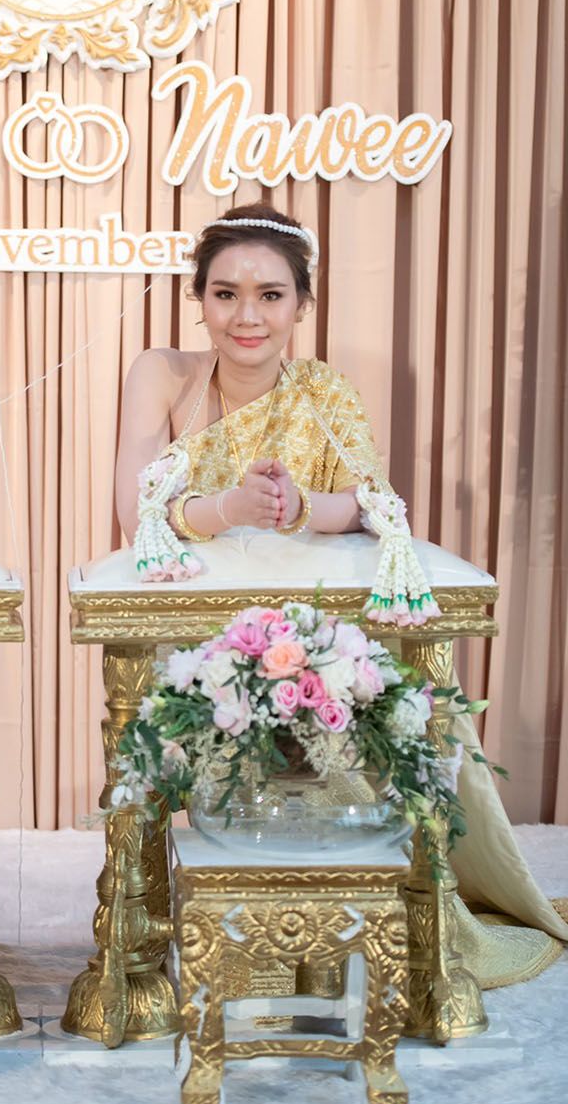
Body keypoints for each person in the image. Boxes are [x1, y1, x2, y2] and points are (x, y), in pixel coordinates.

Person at [115, 201, 567, 987]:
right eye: (225, 294)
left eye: (270, 295)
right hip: (194, 624)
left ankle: (356, 915)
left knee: (368, 693)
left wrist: (296, 507)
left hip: (310, 620)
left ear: (302, 304)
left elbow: (370, 503)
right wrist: (227, 509)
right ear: (199, 299)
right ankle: (201, 925)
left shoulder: (325, 392)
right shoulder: (163, 374)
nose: (247, 316)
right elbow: (134, 516)